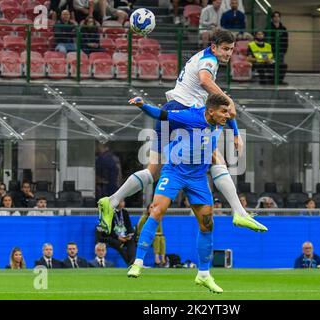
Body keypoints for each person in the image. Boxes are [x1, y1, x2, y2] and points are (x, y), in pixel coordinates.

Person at [98, 30, 266, 234]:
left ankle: (112, 200)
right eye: (225, 49)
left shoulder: (201, 56)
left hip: (171, 110)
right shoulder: (209, 61)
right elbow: (205, 80)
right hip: (184, 113)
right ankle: (239, 212)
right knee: (216, 159)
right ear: (214, 47)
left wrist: (233, 124)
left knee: (153, 171)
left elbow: (214, 99)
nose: (229, 53)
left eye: (231, 49)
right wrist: (227, 100)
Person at [127, 94, 263, 293]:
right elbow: (162, 114)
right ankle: (138, 262)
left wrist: (235, 134)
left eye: (227, 112)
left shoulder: (220, 119)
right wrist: (142, 105)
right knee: (157, 210)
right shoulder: (190, 116)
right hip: (174, 170)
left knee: (207, 225)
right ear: (210, 111)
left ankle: (204, 274)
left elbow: (232, 115)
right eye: (223, 112)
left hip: (198, 176)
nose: (227, 115)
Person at [96, 200, 136, 266]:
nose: (123, 203)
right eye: (121, 201)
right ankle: (131, 264)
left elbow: (129, 226)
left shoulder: (125, 212)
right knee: (119, 246)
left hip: (124, 236)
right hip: (112, 237)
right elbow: (108, 230)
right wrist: (118, 237)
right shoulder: (109, 213)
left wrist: (129, 235)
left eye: (123, 201)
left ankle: (132, 263)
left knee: (131, 242)